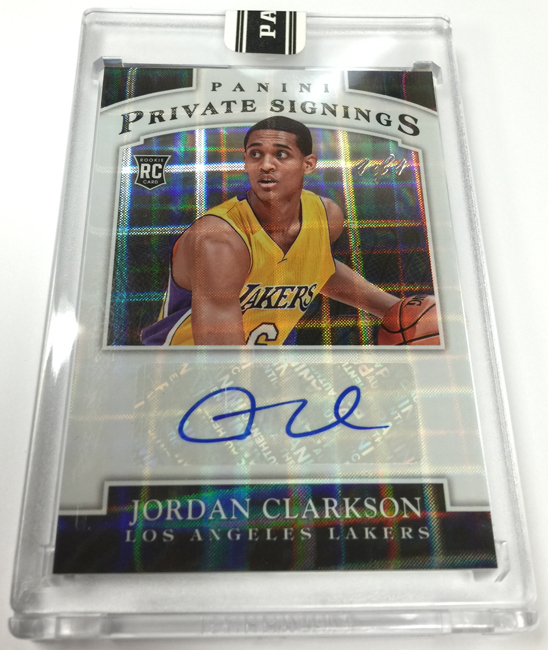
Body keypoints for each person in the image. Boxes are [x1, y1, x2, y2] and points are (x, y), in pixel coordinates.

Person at [141, 116, 399, 346]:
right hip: (178, 372)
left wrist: (396, 310)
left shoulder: (325, 216)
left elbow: (316, 267)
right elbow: (220, 360)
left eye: (281, 154)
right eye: (255, 154)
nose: (266, 165)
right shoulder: (219, 240)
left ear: (308, 164)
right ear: (245, 161)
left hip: (259, 369)